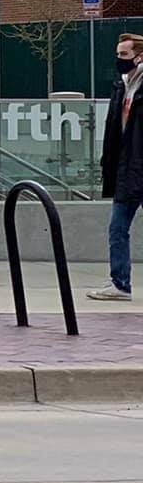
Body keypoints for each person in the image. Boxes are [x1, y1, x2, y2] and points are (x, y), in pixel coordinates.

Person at [92, 32, 143, 300]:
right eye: (118, 54)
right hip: (126, 171)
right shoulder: (121, 87)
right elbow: (114, 130)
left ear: (139, 56)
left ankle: (120, 283)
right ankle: (120, 283)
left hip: (137, 168)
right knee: (117, 228)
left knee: (118, 228)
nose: (119, 59)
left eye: (124, 54)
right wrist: (108, 162)